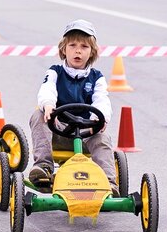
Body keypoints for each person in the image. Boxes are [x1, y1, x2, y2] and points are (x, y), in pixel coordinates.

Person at [27, 20, 117, 194]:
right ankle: (43, 167)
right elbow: (47, 89)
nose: (78, 51)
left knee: (103, 138)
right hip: (59, 131)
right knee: (38, 115)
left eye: (84, 46)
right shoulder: (55, 72)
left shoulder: (96, 77)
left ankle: (109, 183)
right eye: (73, 45)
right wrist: (48, 105)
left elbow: (102, 100)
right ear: (64, 49)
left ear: (92, 52)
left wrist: (100, 118)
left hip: (86, 134)